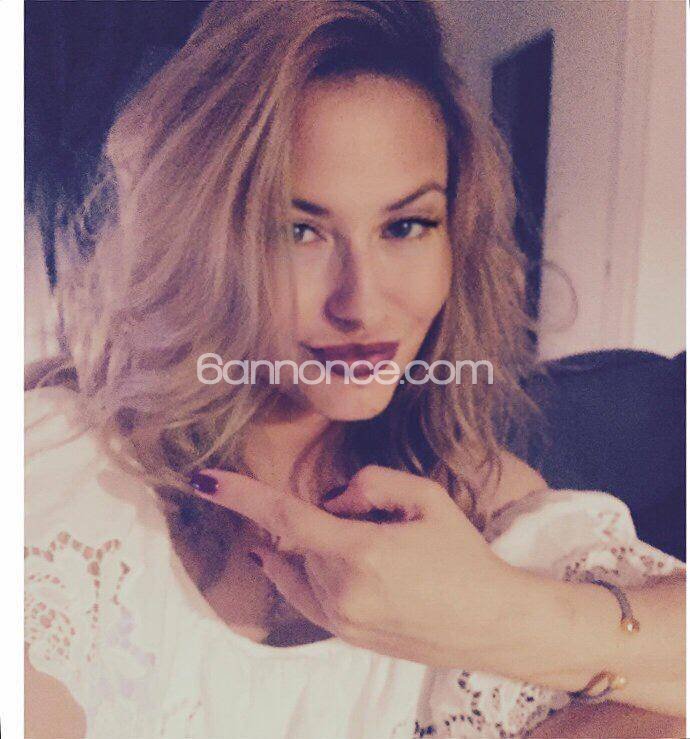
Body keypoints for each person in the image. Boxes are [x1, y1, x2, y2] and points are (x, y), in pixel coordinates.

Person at [25, 2, 685, 737]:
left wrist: (496, 615)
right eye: (297, 230)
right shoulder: (55, 472)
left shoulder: (488, 508)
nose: (361, 303)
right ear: (202, 242)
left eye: (405, 226)